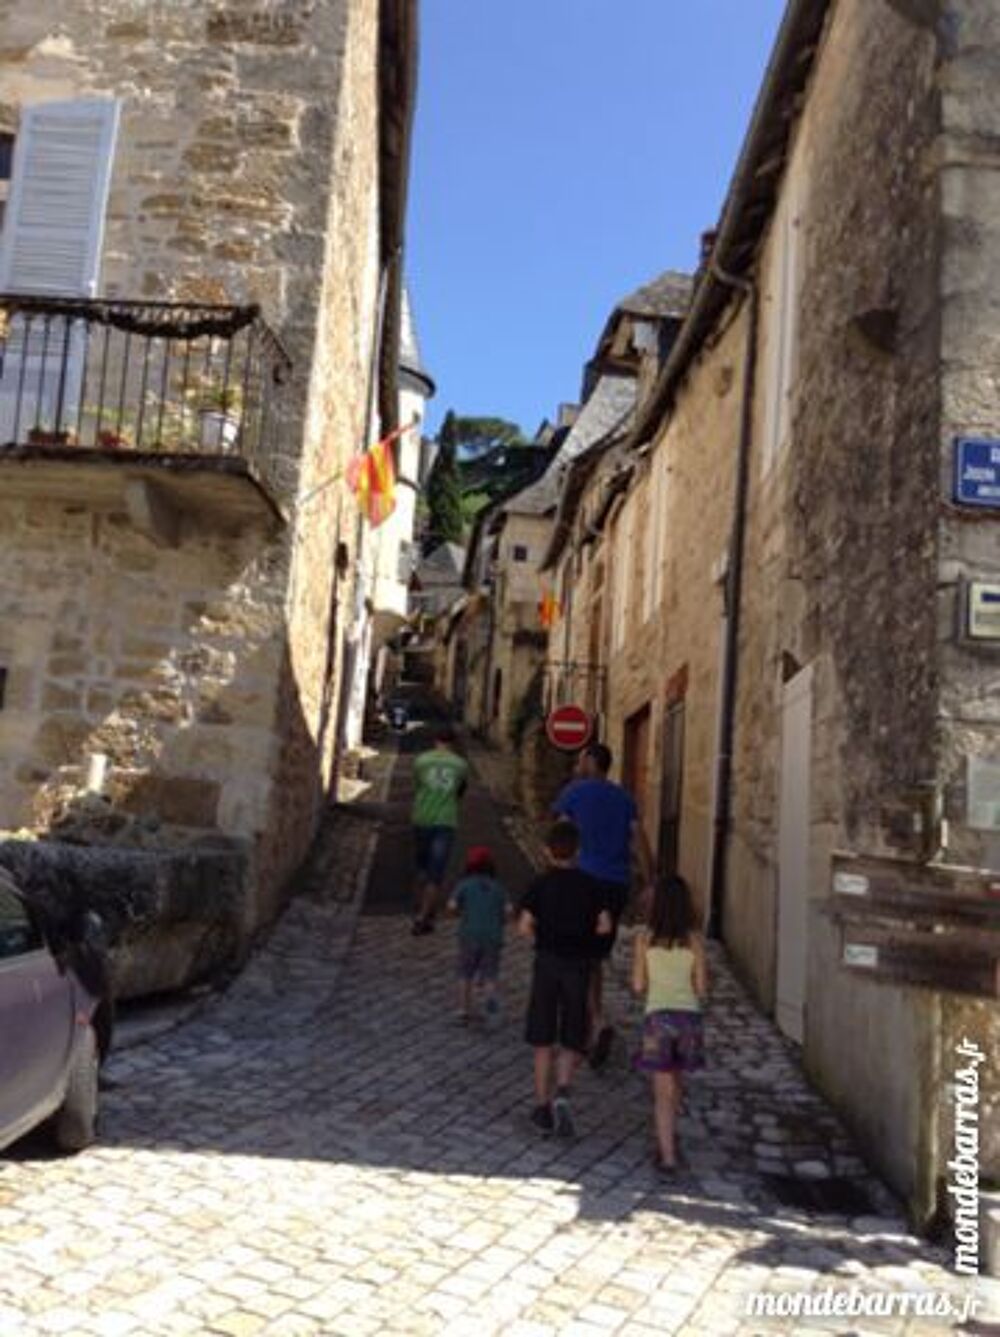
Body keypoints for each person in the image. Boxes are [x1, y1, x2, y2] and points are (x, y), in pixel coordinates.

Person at [553, 741, 654, 1067]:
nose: (578, 763)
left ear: (593, 762)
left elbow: (560, 832)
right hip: (615, 885)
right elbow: (639, 838)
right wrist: (649, 882)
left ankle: (592, 1023)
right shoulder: (624, 798)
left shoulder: (574, 792)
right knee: (594, 956)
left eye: (582, 758)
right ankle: (591, 1021)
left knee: (575, 955)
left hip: (582, 881)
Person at [518, 818, 613, 1139]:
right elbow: (604, 925)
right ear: (578, 851)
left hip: (547, 963)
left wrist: (540, 941)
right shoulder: (591, 886)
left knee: (543, 1037)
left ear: (547, 851)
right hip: (578, 966)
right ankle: (563, 1089)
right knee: (573, 1032)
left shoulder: (540, 885)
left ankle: (542, 1106)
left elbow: (524, 926)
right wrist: (586, 940)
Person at [631, 872, 707, 1174]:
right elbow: (701, 987)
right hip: (688, 1018)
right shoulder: (695, 941)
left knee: (662, 1092)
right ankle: (670, 1136)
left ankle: (668, 1156)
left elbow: (638, 984)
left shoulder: (645, 940)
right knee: (677, 1083)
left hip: (658, 1018)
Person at [411, 724, 469, 935]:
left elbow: (417, 787)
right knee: (436, 872)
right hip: (445, 821)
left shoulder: (421, 761)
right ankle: (422, 917)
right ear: (452, 744)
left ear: (435, 741)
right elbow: (460, 790)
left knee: (422, 868)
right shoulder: (461, 765)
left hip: (421, 818)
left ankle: (421, 908)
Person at [447, 845, 509, 1026]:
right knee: (490, 974)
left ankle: (463, 1010)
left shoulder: (464, 885)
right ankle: (489, 1007)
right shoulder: (498, 888)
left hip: (469, 935)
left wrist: (460, 913)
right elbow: (508, 910)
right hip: (492, 937)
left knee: (465, 973)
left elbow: (451, 906)